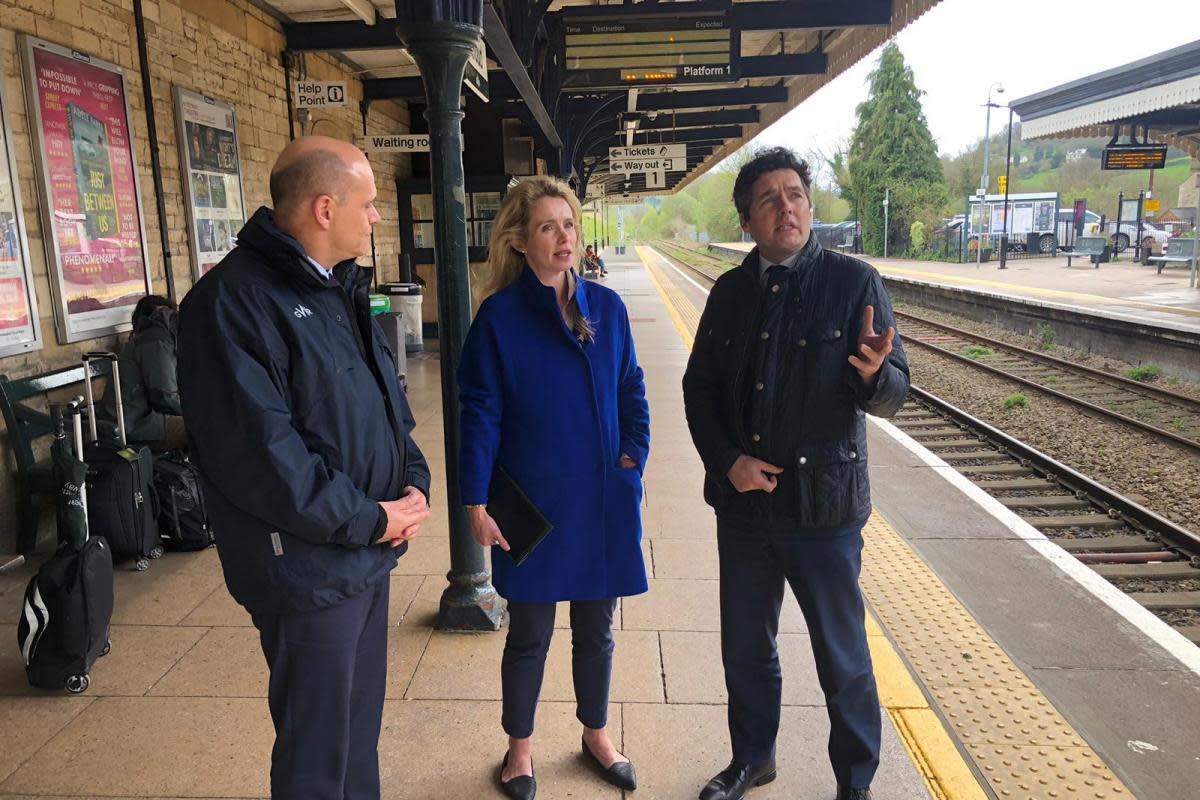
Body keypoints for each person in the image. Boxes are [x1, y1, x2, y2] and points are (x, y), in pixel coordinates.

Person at [176, 135, 432, 800]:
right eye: (369, 204)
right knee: (317, 756)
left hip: (365, 553)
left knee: (354, 739)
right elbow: (265, 460)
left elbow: (385, 404)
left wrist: (413, 481)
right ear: (324, 209)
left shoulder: (338, 288)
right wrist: (371, 516)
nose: (376, 217)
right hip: (306, 567)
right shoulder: (230, 303)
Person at [682, 147, 910, 800]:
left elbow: (897, 390)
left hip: (825, 512)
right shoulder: (728, 294)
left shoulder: (853, 283)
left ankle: (856, 784)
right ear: (748, 223)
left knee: (843, 659)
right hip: (746, 511)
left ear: (809, 205)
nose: (786, 206)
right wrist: (729, 462)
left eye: (795, 194)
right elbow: (699, 388)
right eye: (768, 199)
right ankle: (753, 758)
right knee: (746, 650)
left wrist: (874, 376)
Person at [458, 176, 650, 800]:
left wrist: (633, 458)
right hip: (532, 504)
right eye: (547, 227)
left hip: (600, 501)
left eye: (569, 225)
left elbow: (633, 390)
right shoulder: (499, 319)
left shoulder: (608, 308)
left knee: (598, 629)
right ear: (519, 240)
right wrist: (475, 499)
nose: (564, 238)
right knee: (530, 634)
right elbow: (478, 410)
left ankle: (596, 735)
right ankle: (519, 751)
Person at [98, 294, 185, 451]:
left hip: (141, 417)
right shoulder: (155, 341)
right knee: (206, 426)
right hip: (135, 424)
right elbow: (164, 396)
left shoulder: (154, 339)